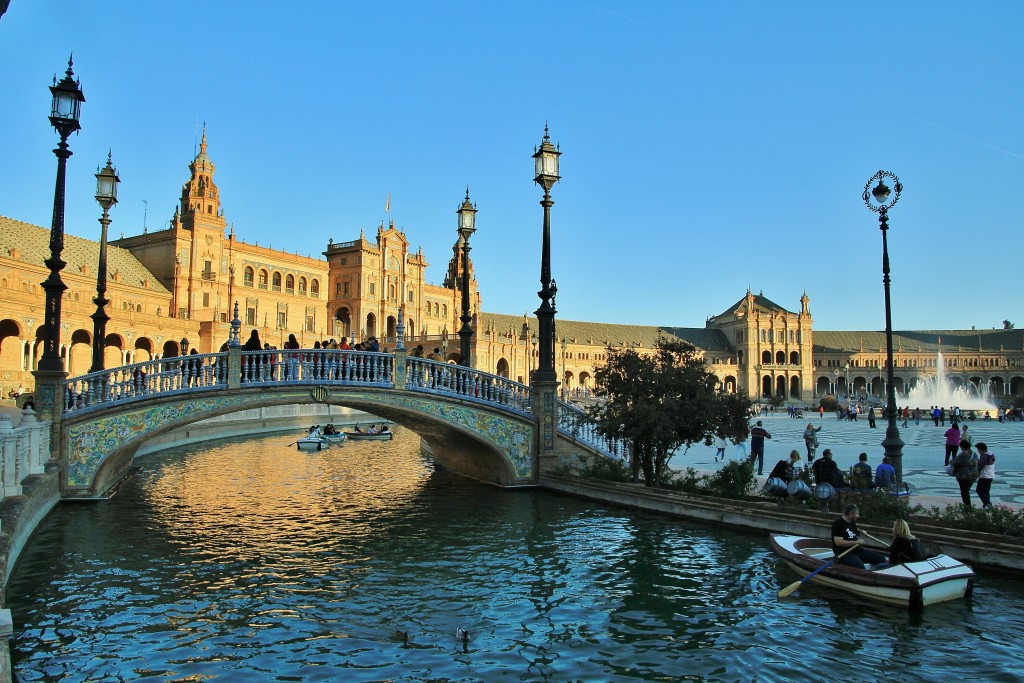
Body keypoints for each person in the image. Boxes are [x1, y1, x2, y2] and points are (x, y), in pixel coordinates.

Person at [832, 504, 887, 569]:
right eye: (857, 514)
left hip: (857, 550)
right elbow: (839, 542)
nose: (858, 516)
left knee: (882, 560)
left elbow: (851, 532)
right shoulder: (838, 524)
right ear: (850, 514)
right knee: (861, 568)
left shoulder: (851, 521)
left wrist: (861, 531)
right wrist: (856, 542)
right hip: (844, 553)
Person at [951, 439, 978, 507]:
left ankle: (967, 506)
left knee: (964, 492)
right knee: (966, 490)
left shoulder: (963, 454)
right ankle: (967, 505)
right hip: (973, 475)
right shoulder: (974, 453)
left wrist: (951, 462)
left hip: (964, 475)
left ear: (962, 446)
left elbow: (955, 462)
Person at [975, 442, 996, 509]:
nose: (978, 451)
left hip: (984, 475)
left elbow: (981, 465)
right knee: (986, 491)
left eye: (978, 449)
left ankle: (988, 504)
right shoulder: (990, 453)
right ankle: (985, 505)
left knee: (979, 490)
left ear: (981, 449)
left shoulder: (984, 456)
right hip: (990, 475)